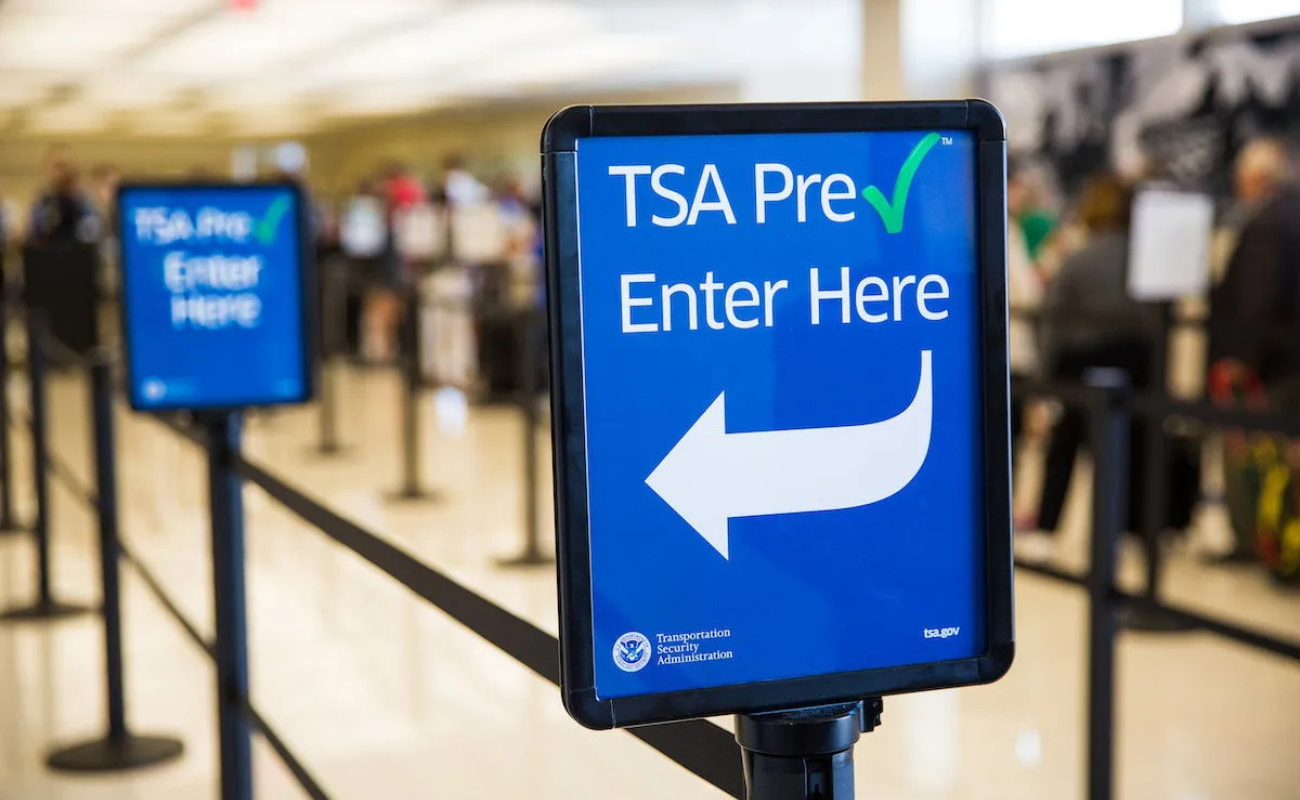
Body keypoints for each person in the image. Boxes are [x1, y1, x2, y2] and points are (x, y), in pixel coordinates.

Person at [1026, 173, 1156, 556]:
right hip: (1137, 364)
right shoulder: (1143, 256)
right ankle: (1128, 532)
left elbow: (1054, 320)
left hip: (1079, 365)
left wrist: (1045, 380)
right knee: (1131, 450)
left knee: (1064, 450)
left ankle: (1047, 529)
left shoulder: (1080, 258)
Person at [1207, 137, 1300, 568]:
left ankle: (1255, 542)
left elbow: (1256, 301)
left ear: (1257, 178)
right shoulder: (1291, 216)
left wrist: (1240, 360)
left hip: (1270, 367)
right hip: (1287, 363)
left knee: (1252, 455)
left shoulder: (1266, 224)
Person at [28, 146, 100, 245]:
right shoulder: (42, 202)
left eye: (65, 166)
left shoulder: (86, 202)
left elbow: (93, 234)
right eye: (58, 167)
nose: (62, 173)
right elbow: (35, 235)